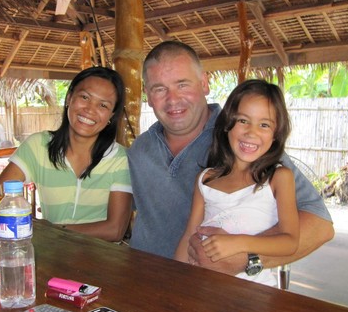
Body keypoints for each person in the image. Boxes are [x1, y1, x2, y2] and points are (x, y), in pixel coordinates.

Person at [127, 41, 334, 276]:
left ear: (204, 83)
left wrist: (245, 259)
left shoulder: (241, 140)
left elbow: (320, 225)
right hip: (145, 285)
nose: (173, 99)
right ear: (147, 94)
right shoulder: (139, 151)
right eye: (159, 89)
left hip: (223, 293)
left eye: (182, 84)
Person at [0, 66, 132, 242]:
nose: (90, 109)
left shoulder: (119, 159)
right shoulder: (38, 146)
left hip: (103, 260)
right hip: (52, 256)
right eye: (85, 97)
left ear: (111, 114)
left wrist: (52, 231)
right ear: (69, 97)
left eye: (103, 105)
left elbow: (115, 230)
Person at [174, 80, 299, 286]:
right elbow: (190, 234)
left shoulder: (278, 178)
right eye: (243, 121)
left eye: (264, 125)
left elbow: (290, 242)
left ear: (276, 134)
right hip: (202, 287)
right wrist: (176, 279)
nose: (251, 132)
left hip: (253, 291)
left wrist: (238, 243)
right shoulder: (206, 179)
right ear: (227, 125)